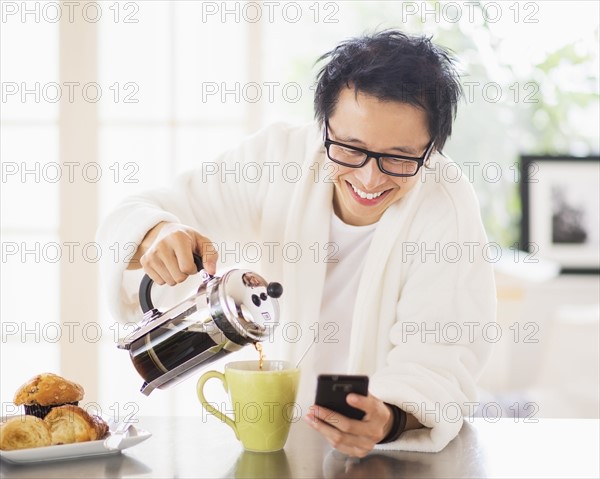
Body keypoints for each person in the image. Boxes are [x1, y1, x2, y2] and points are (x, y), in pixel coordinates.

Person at [97, 30, 496, 456]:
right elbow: (138, 211)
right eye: (350, 148)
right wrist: (157, 232)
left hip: (383, 454)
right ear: (323, 125)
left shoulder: (446, 205)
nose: (369, 178)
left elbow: (441, 356)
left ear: (431, 149)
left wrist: (392, 417)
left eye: (399, 158)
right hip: (280, 441)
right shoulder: (279, 158)